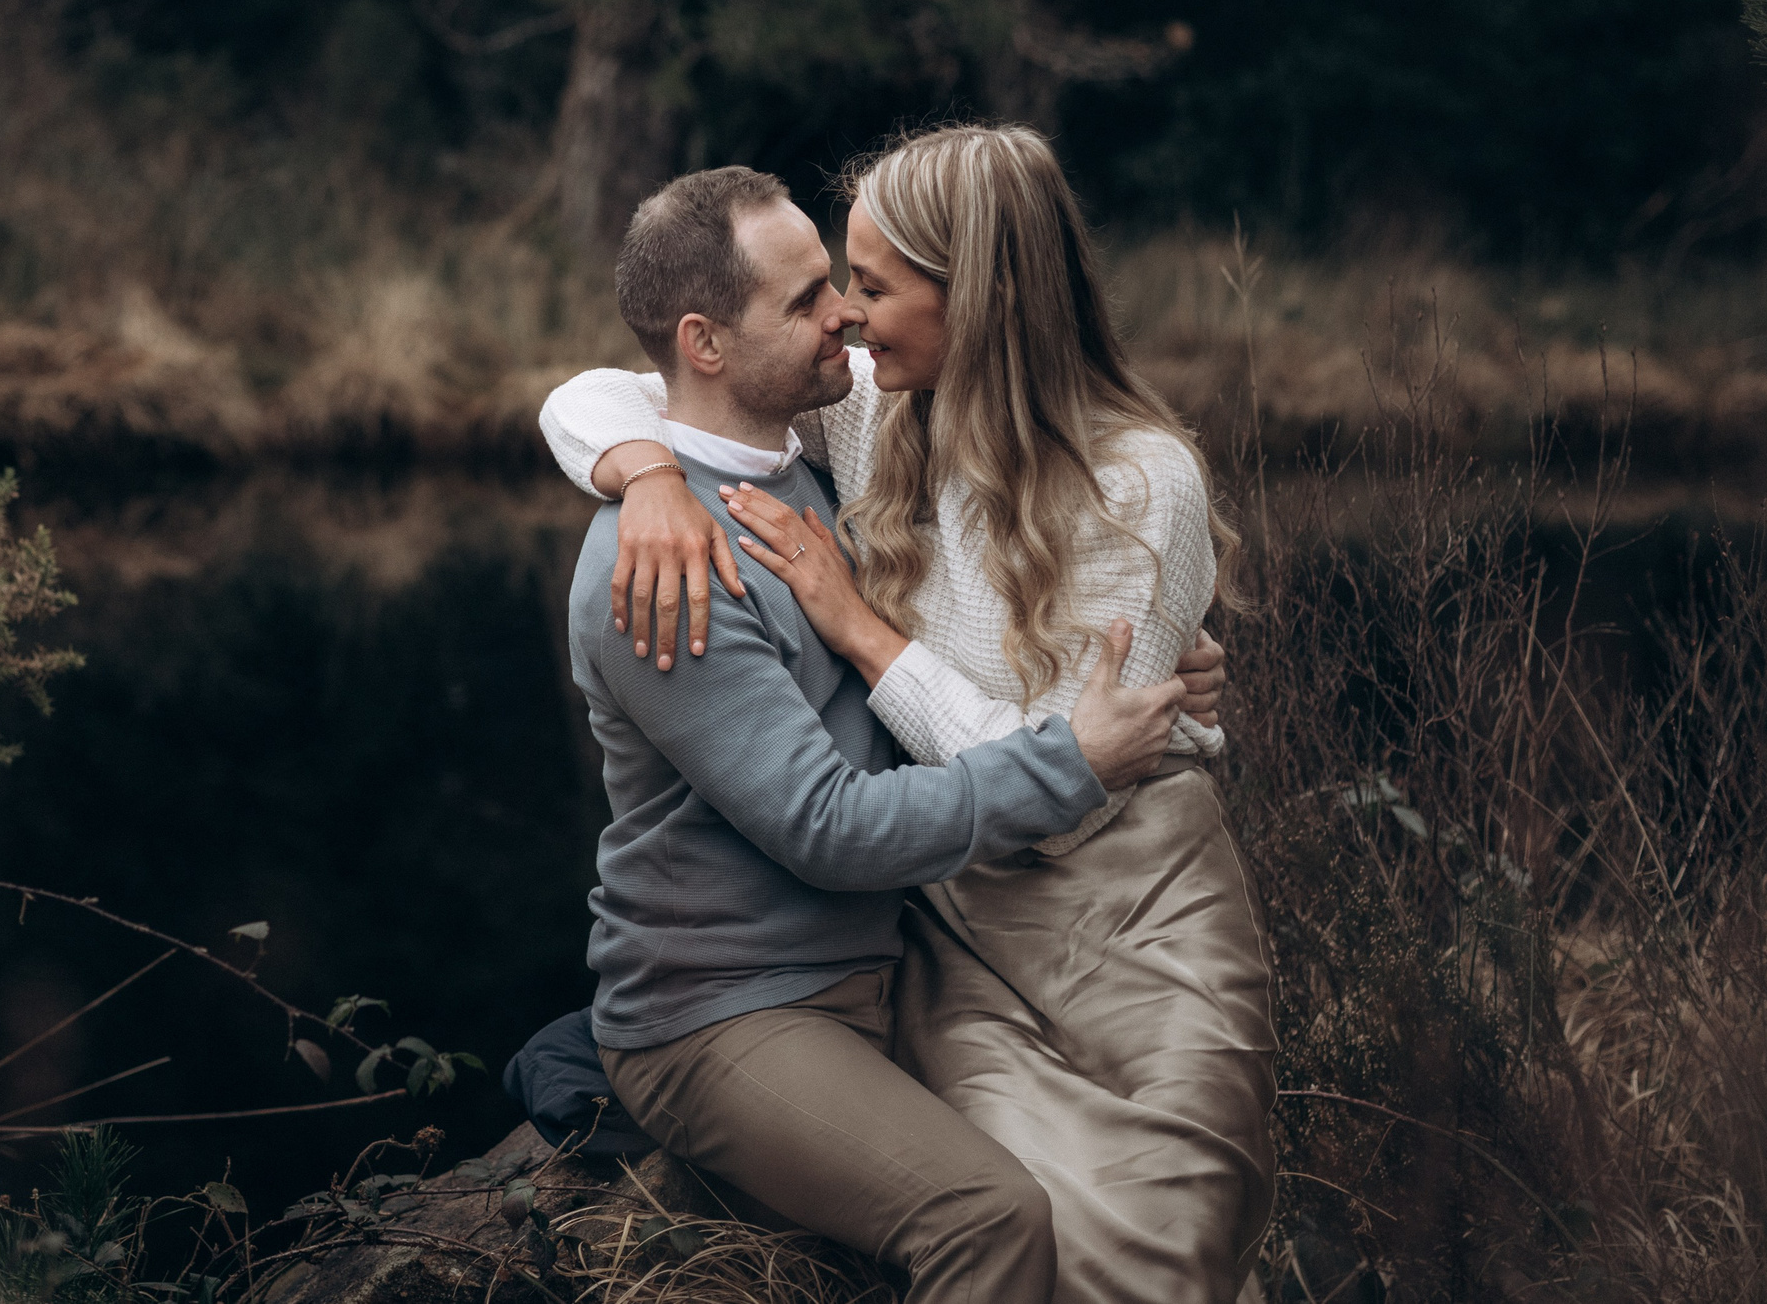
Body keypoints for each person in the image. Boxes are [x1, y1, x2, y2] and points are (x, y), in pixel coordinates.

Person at [541, 125, 1276, 1304]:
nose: (844, 316)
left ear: (979, 297)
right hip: (873, 938)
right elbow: (624, 384)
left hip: (1096, 905)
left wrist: (863, 628)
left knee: (1161, 1241)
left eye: (864, 286)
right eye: (827, 289)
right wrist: (647, 475)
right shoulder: (812, 461)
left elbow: (1071, 790)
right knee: (1003, 1218)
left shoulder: (1099, 473)